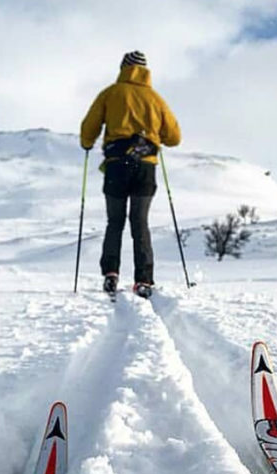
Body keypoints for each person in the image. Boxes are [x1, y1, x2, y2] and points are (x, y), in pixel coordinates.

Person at [80, 50, 181, 299]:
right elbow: (174, 137)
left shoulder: (110, 93)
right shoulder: (155, 99)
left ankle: (111, 273)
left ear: (123, 68)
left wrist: (87, 143)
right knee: (140, 223)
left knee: (115, 222)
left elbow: (88, 127)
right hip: (145, 168)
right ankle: (144, 280)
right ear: (146, 71)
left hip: (116, 165)